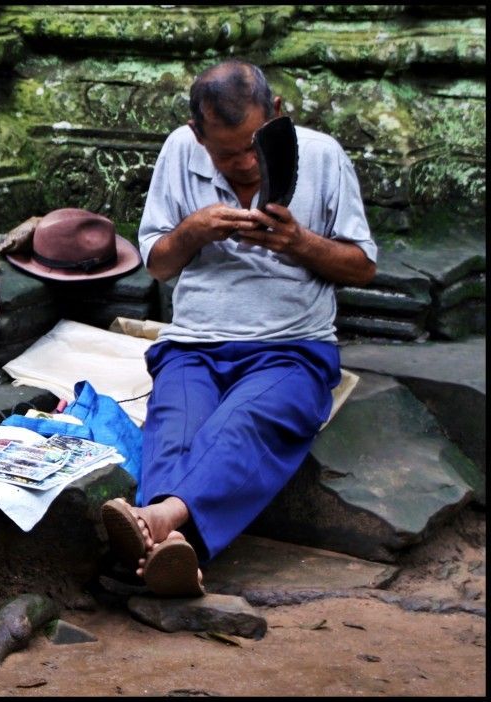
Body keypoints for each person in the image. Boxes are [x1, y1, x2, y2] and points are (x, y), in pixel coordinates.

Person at [101, 59, 377, 596]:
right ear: (196, 135)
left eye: (256, 145)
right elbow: (158, 264)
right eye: (228, 154)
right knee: (176, 423)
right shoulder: (178, 153)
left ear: (275, 115)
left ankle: (157, 520)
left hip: (290, 348)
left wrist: (300, 243)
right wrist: (193, 231)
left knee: (246, 420)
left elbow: (362, 265)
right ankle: (177, 549)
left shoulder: (322, 156)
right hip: (195, 344)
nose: (247, 162)